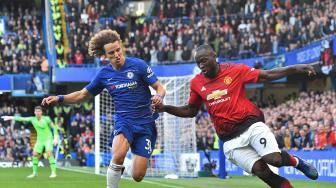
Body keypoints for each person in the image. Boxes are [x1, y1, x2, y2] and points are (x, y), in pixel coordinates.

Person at [156, 44, 318, 188]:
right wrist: (165, 108)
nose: (201, 65)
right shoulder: (196, 83)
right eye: (198, 62)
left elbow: (267, 75)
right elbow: (190, 111)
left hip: (251, 125)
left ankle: (297, 162)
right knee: (262, 172)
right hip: (230, 141)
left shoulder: (235, 70)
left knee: (274, 159)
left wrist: (296, 68)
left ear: (214, 56)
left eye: (204, 60)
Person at [41, 29, 166, 188]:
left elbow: (159, 87)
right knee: (118, 154)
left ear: (121, 46)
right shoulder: (104, 75)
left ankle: (126, 165)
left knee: (138, 176)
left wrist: (159, 97)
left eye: (118, 50)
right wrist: (60, 98)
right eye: (111, 52)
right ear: (105, 55)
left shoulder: (138, 65)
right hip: (124, 120)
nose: (117, 54)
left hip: (145, 122)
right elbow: (82, 95)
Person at [1, 106, 59, 178]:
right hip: (40, 139)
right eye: (36, 111)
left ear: (41, 112)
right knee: (34, 154)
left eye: (39, 111)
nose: (37, 113)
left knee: (49, 153)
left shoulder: (46, 119)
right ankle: (35, 173)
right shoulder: (32, 119)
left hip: (48, 138)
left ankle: (53, 172)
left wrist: (56, 137)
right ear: (34, 112)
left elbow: (54, 128)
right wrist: (10, 117)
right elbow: (22, 118)